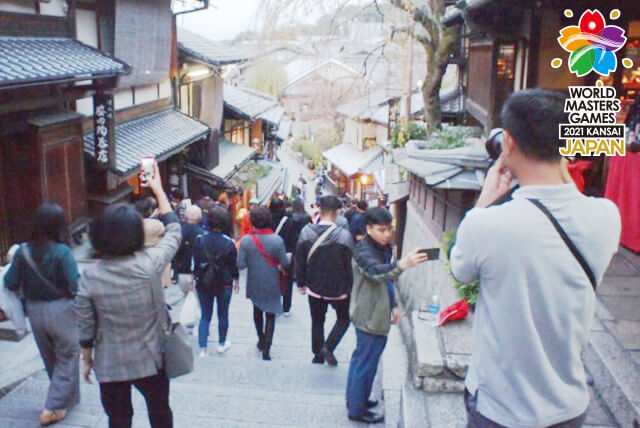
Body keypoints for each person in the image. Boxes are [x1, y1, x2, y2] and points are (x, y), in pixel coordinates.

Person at [449, 89, 621, 428]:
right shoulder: (607, 216)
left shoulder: (486, 224)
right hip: (568, 407)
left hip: (500, 409)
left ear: (508, 142)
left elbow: (461, 269)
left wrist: (484, 200)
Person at [75, 162, 181, 428]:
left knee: (119, 418)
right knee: (159, 411)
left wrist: (87, 359)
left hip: (110, 362)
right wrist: (158, 191)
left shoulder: (89, 275)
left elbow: (86, 326)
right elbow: (175, 231)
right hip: (151, 359)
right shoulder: (150, 263)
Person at [346, 207, 427, 424]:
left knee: (363, 359)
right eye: (381, 230)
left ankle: (357, 399)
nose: (386, 234)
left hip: (378, 310)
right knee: (366, 361)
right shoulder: (363, 251)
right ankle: (357, 409)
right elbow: (377, 272)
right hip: (367, 314)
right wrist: (403, 264)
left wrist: (394, 305)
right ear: (369, 229)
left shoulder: (382, 247)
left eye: (389, 230)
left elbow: (387, 281)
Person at [5, 203, 80, 427]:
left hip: (34, 311)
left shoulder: (22, 252)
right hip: (62, 310)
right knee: (68, 355)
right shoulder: (62, 252)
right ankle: (52, 406)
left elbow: (10, 282)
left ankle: (65, 401)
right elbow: (75, 284)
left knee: (51, 357)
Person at [296, 195, 354, 365]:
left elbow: (300, 260)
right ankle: (329, 346)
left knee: (317, 320)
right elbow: (350, 264)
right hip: (339, 288)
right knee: (344, 318)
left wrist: (301, 283)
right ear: (338, 212)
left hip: (314, 285)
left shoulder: (306, 232)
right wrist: (350, 286)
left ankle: (318, 354)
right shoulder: (344, 236)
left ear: (319, 210)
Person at [237, 206, 289, 361]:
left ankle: (261, 338)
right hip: (272, 281)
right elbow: (284, 262)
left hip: (254, 281)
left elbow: (240, 264)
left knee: (257, 310)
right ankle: (267, 347)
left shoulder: (246, 241)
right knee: (271, 314)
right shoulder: (277, 240)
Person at [193, 207, 239, 357]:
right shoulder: (229, 243)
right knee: (223, 313)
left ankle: (202, 348)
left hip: (204, 282)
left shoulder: (200, 240)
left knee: (205, 315)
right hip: (224, 282)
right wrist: (236, 279)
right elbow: (233, 265)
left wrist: (194, 278)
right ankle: (221, 343)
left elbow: (196, 261)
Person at [174, 205, 204, 292]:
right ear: (200, 218)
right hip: (199, 274)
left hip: (182, 272)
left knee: (187, 299)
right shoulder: (203, 234)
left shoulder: (178, 232)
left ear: (185, 217)